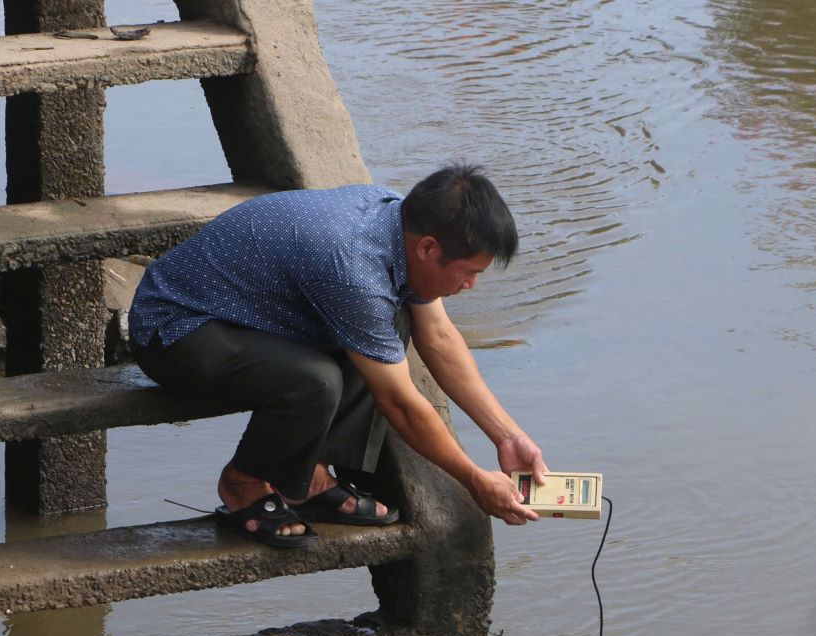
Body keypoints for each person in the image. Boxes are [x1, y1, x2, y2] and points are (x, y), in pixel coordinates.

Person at [129, 164, 547, 547]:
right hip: (177, 327)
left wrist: (508, 436)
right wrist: (473, 479)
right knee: (315, 380)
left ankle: (308, 476)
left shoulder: (399, 219)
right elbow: (399, 402)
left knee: (395, 323)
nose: (471, 285)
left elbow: (438, 337)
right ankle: (243, 482)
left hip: (254, 316)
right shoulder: (353, 266)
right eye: (469, 272)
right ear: (428, 249)